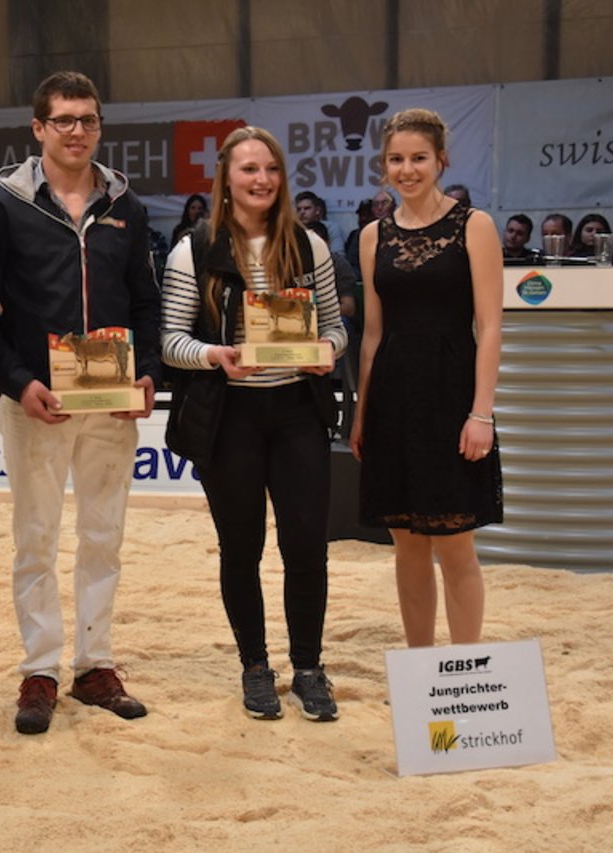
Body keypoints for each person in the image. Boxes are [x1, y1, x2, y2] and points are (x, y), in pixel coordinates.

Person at [0, 70, 160, 736]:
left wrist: (147, 373)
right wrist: (19, 380)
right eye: (64, 120)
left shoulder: (126, 207)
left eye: (87, 119)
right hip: (35, 401)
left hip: (111, 403)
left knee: (104, 537)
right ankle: (40, 668)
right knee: (36, 538)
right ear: (38, 129)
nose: (76, 130)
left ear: (100, 126)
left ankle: (95, 663)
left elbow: (144, 298)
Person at [162, 126, 347, 721]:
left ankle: (310, 668)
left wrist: (326, 349)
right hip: (229, 417)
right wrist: (215, 357)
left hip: (298, 412)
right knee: (240, 549)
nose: (261, 179)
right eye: (248, 169)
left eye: (270, 168)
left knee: (305, 548)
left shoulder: (309, 244)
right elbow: (170, 341)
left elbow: (338, 328)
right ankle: (255, 667)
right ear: (226, 178)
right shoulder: (193, 249)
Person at [350, 108, 503, 648]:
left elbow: (489, 326)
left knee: (455, 545)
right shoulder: (372, 236)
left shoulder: (475, 226)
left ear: (441, 160)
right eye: (396, 159)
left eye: (418, 158)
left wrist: (481, 412)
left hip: (450, 396)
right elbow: (372, 333)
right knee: (407, 544)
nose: (406, 169)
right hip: (392, 398)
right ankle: (422, 671)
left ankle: (464, 670)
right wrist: (361, 413)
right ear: (383, 165)